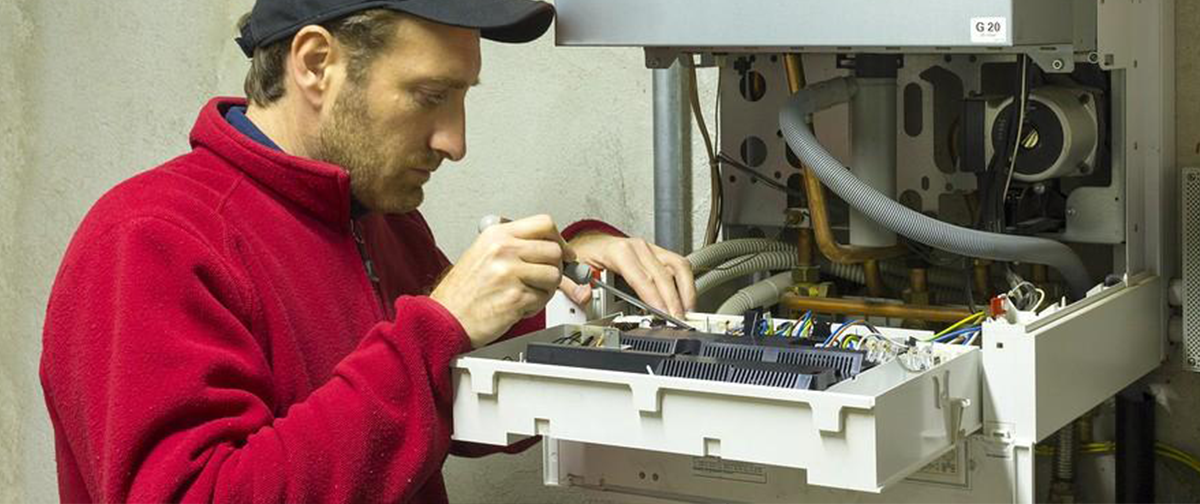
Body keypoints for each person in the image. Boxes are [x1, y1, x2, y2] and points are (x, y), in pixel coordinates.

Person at [39, 0, 696, 502]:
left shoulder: (372, 215)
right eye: (430, 97)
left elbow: (440, 402)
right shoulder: (151, 239)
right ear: (316, 65)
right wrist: (434, 329)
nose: (454, 141)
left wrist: (568, 283)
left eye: (463, 98)